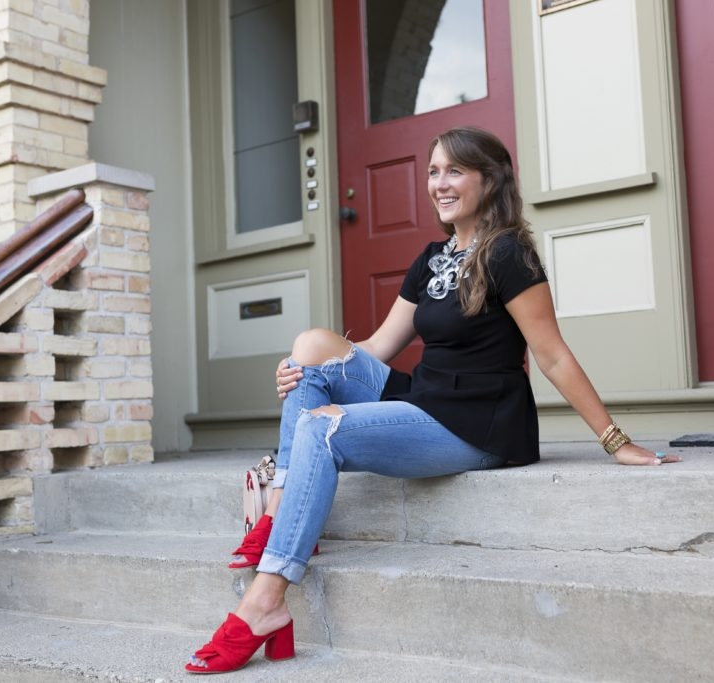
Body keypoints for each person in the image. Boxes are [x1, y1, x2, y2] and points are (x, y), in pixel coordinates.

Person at [185, 126, 680, 674]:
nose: (439, 184)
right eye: (433, 171)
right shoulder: (431, 258)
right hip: (427, 397)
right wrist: (300, 372)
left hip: (478, 423)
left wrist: (616, 441)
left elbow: (553, 355)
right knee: (309, 364)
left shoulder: (509, 254)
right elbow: (377, 347)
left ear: (489, 181)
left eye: (454, 171)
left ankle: (265, 599)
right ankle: (280, 517)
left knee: (320, 428)